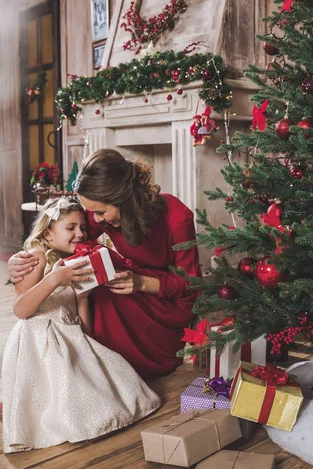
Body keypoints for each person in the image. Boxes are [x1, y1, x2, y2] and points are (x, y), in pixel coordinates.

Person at [8, 149, 202, 378]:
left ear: (123, 200)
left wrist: (141, 282)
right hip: (128, 284)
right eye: (91, 212)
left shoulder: (177, 217)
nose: (95, 220)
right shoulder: (100, 213)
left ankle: (111, 364)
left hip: (165, 300)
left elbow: (190, 284)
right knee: (94, 263)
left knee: (102, 260)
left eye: (99, 212)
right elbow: (63, 236)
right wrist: (23, 256)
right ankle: (85, 364)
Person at [2, 197, 161, 453]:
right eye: (70, 227)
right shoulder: (37, 257)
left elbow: (82, 325)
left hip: (70, 336)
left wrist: (83, 299)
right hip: (39, 341)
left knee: (112, 386)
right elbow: (21, 309)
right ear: (48, 233)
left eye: (83, 228)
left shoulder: (75, 262)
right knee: (62, 388)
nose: (80, 234)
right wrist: (54, 279)